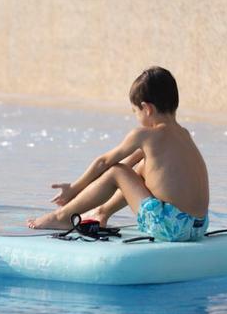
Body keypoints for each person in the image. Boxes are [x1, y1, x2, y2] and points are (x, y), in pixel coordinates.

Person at [27, 66, 209, 242]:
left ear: (147, 108)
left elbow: (104, 163)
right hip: (198, 226)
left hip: (171, 227)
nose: (136, 116)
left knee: (117, 171)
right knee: (142, 168)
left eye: (135, 111)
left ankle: (61, 217)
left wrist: (74, 189)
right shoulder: (183, 134)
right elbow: (131, 169)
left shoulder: (144, 135)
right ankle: (102, 212)